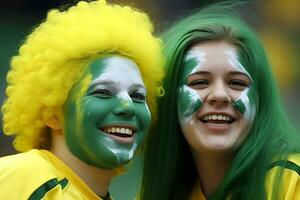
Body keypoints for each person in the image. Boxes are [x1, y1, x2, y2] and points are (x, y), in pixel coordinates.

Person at [0, 0, 163, 199]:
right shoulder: (21, 176)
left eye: (137, 96)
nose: (128, 106)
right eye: (103, 92)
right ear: (52, 113)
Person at [140, 3, 300, 200]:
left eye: (236, 83)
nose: (220, 95)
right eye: (200, 82)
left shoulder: (290, 182)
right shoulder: (164, 191)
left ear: (260, 100)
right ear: (169, 98)